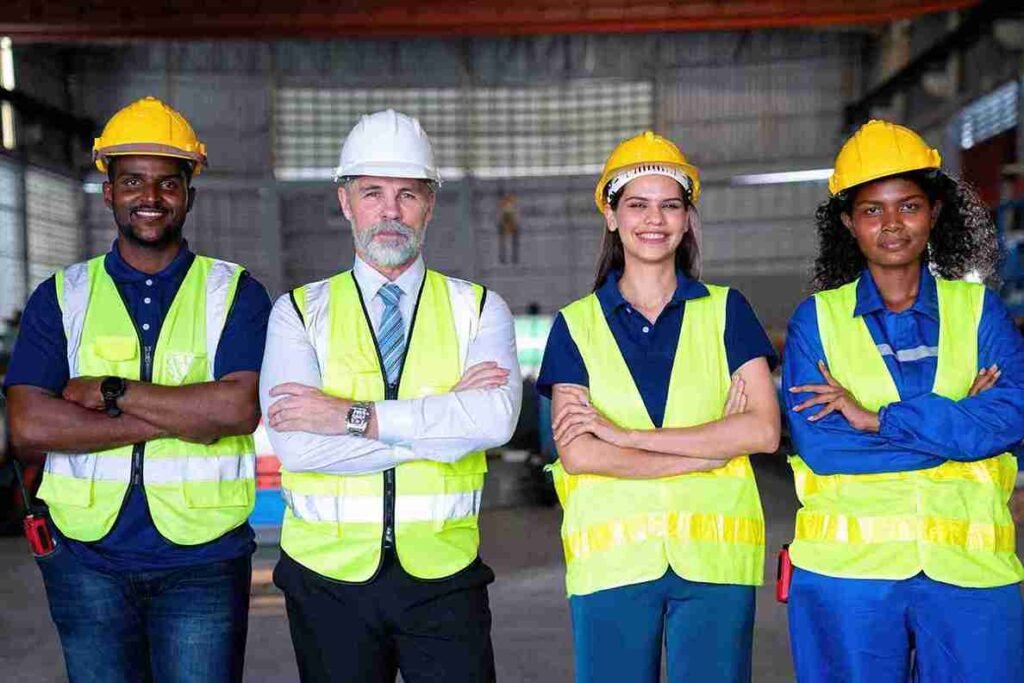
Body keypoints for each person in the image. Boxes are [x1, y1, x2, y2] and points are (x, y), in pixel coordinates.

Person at [4, 96, 270, 683]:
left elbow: (236, 408)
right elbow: (28, 427)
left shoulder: (236, 293)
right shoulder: (61, 296)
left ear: (189, 195)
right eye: (132, 181)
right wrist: (186, 414)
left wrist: (109, 389)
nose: (150, 198)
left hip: (203, 561)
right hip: (84, 561)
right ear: (108, 191)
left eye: (166, 184)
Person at [261, 109, 521, 683]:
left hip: (444, 576)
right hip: (326, 580)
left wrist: (348, 417)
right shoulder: (298, 313)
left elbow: (495, 422)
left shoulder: (480, 310)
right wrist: (443, 432)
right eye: (372, 192)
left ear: (430, 204)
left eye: (407, 194)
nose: (390, 211)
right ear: (344, 201)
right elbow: (300, 450)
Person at [783, 119, 1024, 682]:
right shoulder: (815, 322)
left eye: (908, 206)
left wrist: (872, 419)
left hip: (971, 573)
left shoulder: (978, 310)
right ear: (848, 222)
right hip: (850, 577)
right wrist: (961, 427)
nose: (892, 224)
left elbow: (1012, 417)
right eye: (872, 210)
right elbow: (824, 448)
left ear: (934, 213)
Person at [537, 131, 781, 683]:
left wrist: (622, 437)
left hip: (715, 563)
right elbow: (578, 455)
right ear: (611, 216)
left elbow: (763, 431)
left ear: (687, 219)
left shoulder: (727, 311)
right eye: (637, 205)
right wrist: (709, 448)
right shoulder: (576, 325)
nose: (655, 219)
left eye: (671, 205)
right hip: (612, 564)